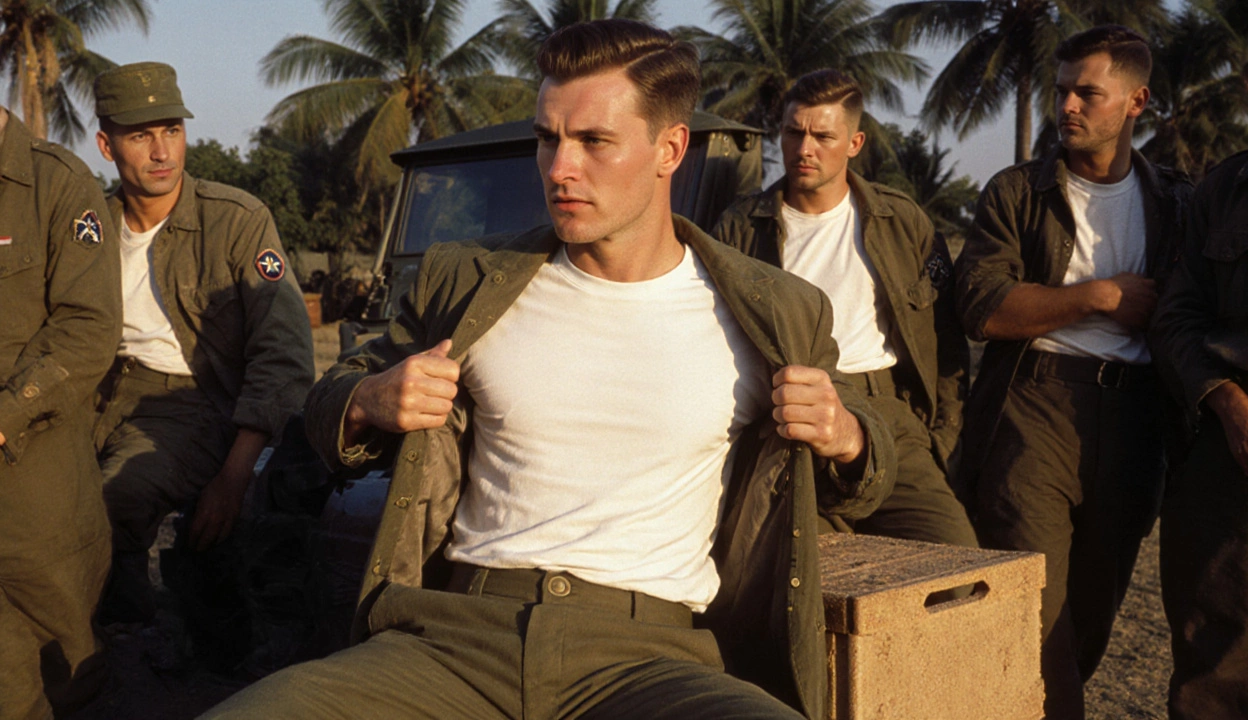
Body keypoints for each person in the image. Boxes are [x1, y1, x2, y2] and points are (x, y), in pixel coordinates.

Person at [199, 19, 892, 720]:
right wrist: (369, 400)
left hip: (655, 663)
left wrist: (847, 436)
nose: (560, 168)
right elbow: (327, 401)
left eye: (594, 142)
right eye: (547, 138)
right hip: (451, 643)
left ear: (669, 149)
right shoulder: (468, 282)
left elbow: (865, 475)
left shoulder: (776, 312)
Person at [954, 26, 1192, 720]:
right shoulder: (1017, 192)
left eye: (1088, 91)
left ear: (1136, 100)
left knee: (1093, 609)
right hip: (1035, 408)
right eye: (1061, 90)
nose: (1068, 106)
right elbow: (980, 304)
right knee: (1036, 605)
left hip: (1136, 419)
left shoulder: (1177, 201)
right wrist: (1099, 296)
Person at [713, 69, 976, 553]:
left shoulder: (901, 221)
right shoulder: (741, 228)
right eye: (794, 132)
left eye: (822, 136)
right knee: (817, 581)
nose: (804, 148)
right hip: (795, 419)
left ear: (854, 142)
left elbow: (945, 336)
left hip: (890, 412)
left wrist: (941, 438)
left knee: (956, 562)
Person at [90, 62, 314, 626]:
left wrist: (234, 475)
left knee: (113, 502)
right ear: (106, 145)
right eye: (141, 136)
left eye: (171, 130)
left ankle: (123, 644)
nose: (162, 151)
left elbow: (283, 352)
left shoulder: (236, 220)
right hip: (93, 389)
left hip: (188, 399)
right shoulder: (85, 225)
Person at [1151, 46, 1248, 720]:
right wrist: (1231, 407)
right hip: (1230, 447)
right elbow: (1176, 317)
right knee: (1220, 667)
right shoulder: (1221, 191)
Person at [0, 106, 122, 718]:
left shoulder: (57, 182)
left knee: (58, 657)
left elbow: (88, 328)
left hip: (32, 468)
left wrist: (5, 415)